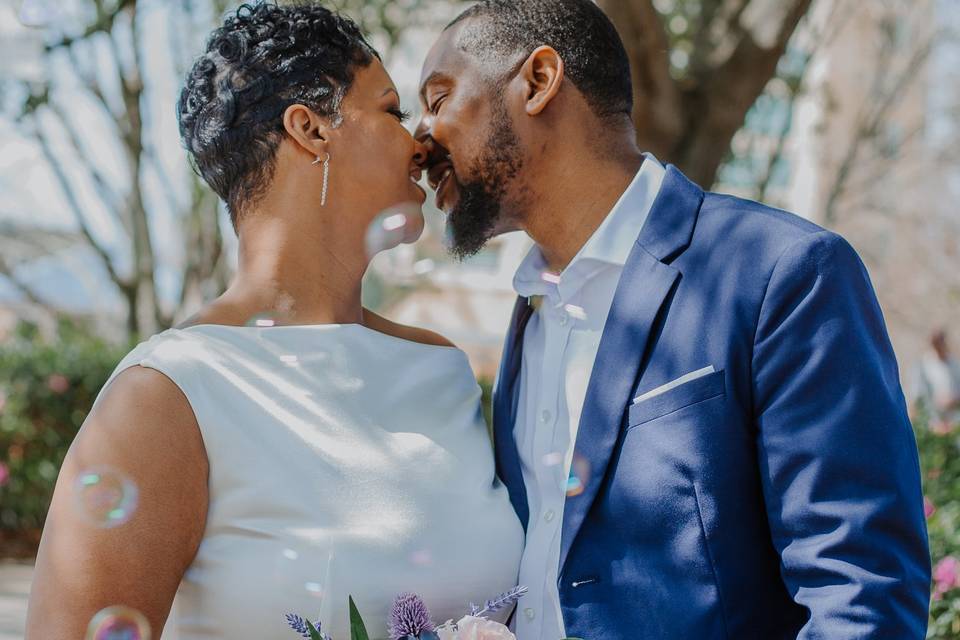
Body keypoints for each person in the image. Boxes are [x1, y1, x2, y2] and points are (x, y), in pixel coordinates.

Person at [415, 1, 931, 638]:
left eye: (438, 98)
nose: (420, 137)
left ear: (539, 81)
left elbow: (861, 593)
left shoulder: (782, 273)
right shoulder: (529, 313)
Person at [26, 3, 523, 638]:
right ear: (311, 129)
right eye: (392, 112)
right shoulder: (170, 392)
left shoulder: (443, 370)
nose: (421, 143)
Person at [911, 328, 960, 431]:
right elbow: (917, 396)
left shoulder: (955, 365)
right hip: (932, 422)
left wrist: (953, 400)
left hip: (954, 422)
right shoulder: (923, 366)